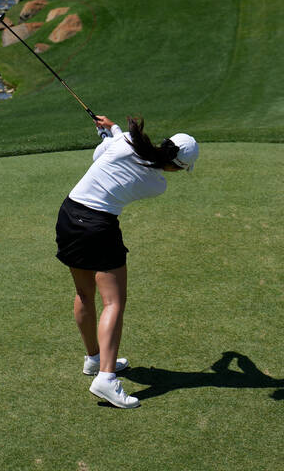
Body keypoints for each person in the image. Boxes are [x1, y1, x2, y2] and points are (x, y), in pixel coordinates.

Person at [55, 114, 199, 408]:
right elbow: (122, 155)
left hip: (69, 214)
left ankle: (94, 359)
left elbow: (103, 155)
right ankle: (106, 379)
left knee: (84, 293)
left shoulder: (127, 141)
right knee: (114, 302)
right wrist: (113, 133)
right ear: (177, 167)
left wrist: (112, 131)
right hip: (98, 226)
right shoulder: (157, 184)